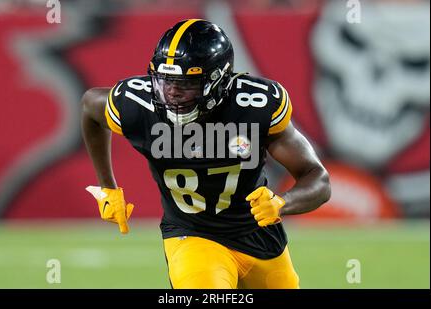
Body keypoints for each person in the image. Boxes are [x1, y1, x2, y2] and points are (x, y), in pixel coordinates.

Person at [81, 19, 331, 289]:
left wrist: (283, 203)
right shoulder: (137, 105)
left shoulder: (255, 105)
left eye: (186, 84)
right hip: (192, 235)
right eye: (165, 82)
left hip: (259, 236)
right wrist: (108, 188)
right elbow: (90, 107)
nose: (172, 94)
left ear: (218, 81)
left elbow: (317, 178)